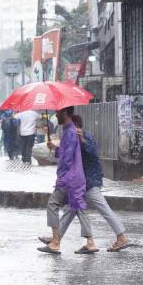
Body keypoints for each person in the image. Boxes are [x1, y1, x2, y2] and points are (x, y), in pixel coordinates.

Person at [42, 114, 133, 253]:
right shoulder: (72, 138)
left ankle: (121, 237)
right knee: (70, 210)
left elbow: (93, 152)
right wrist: (55, 148)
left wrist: (82, 139)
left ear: (77, 126)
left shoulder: (87, 137)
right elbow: (68, 154)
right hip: (78, 182)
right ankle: (57, 240)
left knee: (103, 209)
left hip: (89, 182)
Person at [38, 106, 92, 254]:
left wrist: (60, 178)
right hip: (76, 177)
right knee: (78, 208)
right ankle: (90, 242)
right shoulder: (70, 130)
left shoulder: (70, 132)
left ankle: (55, 242)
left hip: (69, 177)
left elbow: (67, 159)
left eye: (58, 113)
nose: (56, 116)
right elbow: (66, 152)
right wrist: (55, 148)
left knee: (52, 204)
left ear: (65, 113)